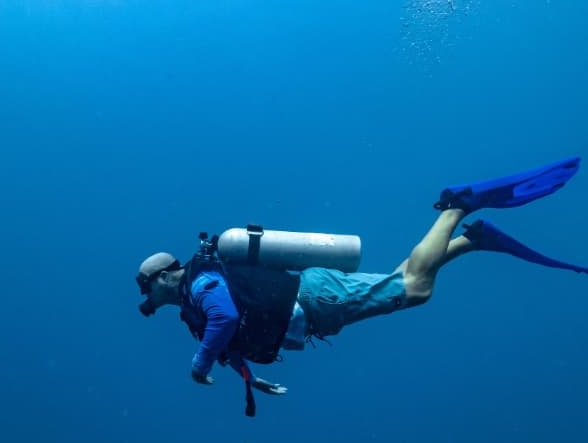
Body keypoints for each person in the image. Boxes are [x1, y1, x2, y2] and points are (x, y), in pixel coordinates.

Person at [136, 157, 586, 416]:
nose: (148, 299)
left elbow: (226, 316)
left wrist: (199, 365)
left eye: (146, 288)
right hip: (314, 300)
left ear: (161, 277)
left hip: (313, 300)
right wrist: (251, 378)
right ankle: (471, 241)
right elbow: (232, 338)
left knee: (413, 289)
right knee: (401, 280)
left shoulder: (200, 280)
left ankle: (456, 209)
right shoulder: (195, 301)